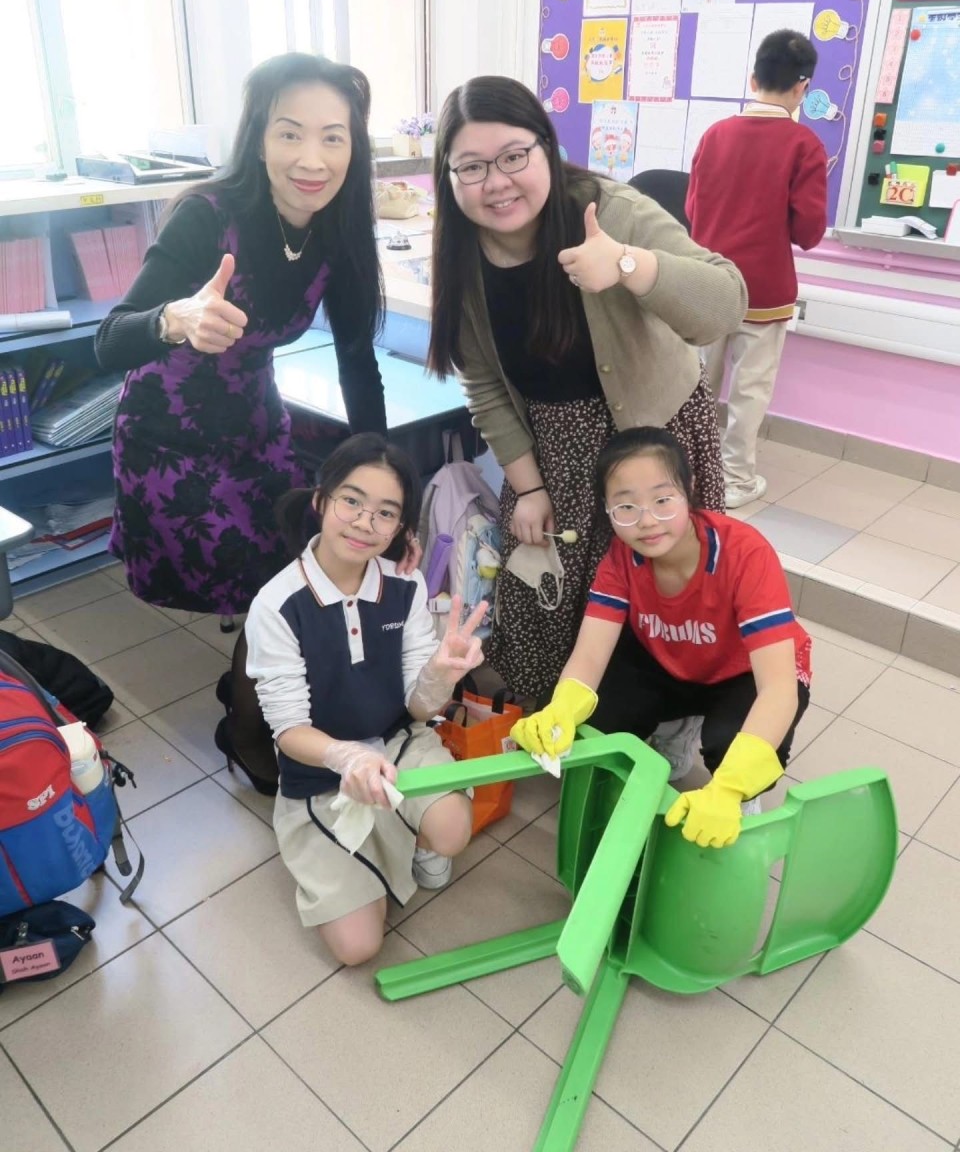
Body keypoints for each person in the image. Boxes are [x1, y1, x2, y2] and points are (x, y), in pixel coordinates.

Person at [427, 75, 747, 703]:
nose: (496, 182)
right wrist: (529, 487)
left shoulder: (609, 211)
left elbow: (725, 302)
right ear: (450, 175)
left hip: (655, 438)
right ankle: (562, 715)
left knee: (663, 586)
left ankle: (668, 715)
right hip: (556, 453)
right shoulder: (462, 251)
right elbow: (484, 383)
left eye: (513, 156)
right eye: (472, 167)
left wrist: (629, 264)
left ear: (546, 147)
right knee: (547, 593)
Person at [96, 52, 388, 615]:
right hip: (170, 445)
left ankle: (260, 673)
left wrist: (382, 473)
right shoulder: (207, 216)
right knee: (262, 597)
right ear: (258, 141)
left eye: (333, 138)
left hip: (259, 435)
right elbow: (109, 342)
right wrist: (175, 318)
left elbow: (356, 362)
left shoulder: (340, 228)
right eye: (290, 134)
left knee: (288, 586)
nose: (312, 160)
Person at [510, 427, 811, 848]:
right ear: (607, 509)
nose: (647, 521)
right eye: (626, 506)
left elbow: (778, 689)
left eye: (663, 500)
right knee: (583, 718)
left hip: (743, 673)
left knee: (732, 747)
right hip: (667, 660)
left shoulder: (745, 553)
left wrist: (731, 787)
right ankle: (680, 723)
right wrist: (561, 708)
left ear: (689, 490)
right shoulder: (620, 558)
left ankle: (739, 795)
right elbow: (590, 656)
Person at [244, 433, 479, 965]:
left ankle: (411, 837)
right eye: (351, 501)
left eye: (385, 513)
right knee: (358, 948)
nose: (364, 523)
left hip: (398, 741)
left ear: (400, 527)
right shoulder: (276, 605)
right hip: (320, 767)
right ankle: (351, 845)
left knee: (451, 832)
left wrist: (440, 675)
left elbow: (418, 709)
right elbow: (289, 731)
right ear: (321, 499)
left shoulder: (406, 585)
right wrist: (347, 756)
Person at [687, 30, 828, 509]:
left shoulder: (715, 134)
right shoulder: (804, 144)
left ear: (753, 79)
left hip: (708, 281)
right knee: (749, 390)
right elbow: (808, 231)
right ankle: (735, 481)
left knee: (696, 384)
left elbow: (693, 209)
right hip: (765, 290)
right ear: (802, 87)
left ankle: (689, 472)